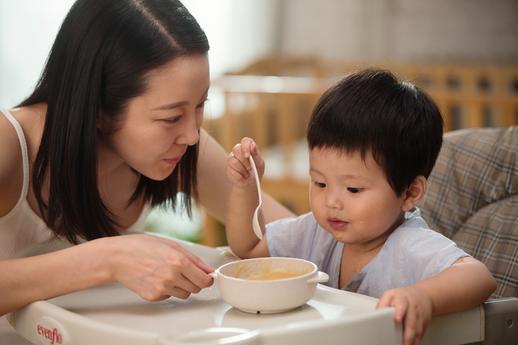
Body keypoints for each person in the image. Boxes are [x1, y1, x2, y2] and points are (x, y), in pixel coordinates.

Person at [0, 0, 292, 317]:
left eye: (200, 105)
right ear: (97, 108)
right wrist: (107, 259)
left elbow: (288, 236)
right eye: (170, 117)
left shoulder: (183, 145)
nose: (192, 135)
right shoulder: (10, 145)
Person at [225, 69, 496, 345]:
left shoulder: (410, 246)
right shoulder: (318, 232)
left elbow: (479, 277)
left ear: (410, 193)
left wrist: (423, 296)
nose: (331, 201)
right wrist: (245, 186)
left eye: (353, 189)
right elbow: (248, 249)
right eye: (319, 183)